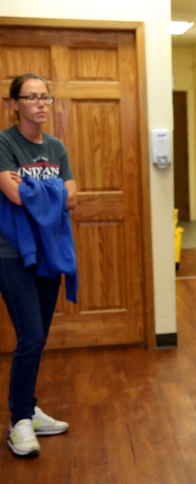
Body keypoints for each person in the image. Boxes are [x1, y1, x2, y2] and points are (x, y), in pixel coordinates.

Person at [0, 73, 77, 458]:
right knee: (30, 336)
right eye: (31, 97)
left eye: (44, 96)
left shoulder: (56, 146)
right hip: (11, 253)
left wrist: (32, 189)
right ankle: (18, 423)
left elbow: (72, 197)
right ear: (14, 104)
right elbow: (13, 195)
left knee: (39, 336)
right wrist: (49, 190)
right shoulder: (3, 142)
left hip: (49, 253)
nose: (40, 103)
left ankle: (28, 410)